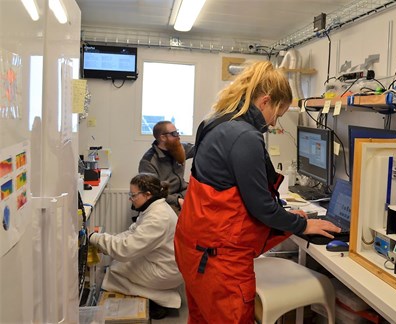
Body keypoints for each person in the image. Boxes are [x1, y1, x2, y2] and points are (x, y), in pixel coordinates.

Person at [174, 61, 341, 323]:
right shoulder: (245, 137)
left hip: (192, 249)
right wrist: (302, 225)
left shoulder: (214, 122)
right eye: (278, 113)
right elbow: (261, 208)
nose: (275, 123)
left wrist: (287, 218)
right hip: (219, 262)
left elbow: (231, 197)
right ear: (265, 102)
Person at [89, 173, 183, 320]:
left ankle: (160, 300)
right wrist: (105, 241)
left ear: (147, 194)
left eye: (133, 195)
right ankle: (159, 297)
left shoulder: (157, 218)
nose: (130, 199)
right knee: (117, 264)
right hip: (163, 263)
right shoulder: (152, 208)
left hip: (166, 271)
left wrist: (95, 238)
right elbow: (131, 233)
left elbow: (125, 250)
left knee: (115, 271)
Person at [138, 121, 195, 213]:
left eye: (177, 132)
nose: (178, 136)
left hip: (183, 193)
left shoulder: (179, 148)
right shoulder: (148, 162)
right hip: (165, 200)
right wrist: (177, 200)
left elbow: (200, 148)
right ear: (163, 137)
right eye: (174, 134)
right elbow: (153, 192)